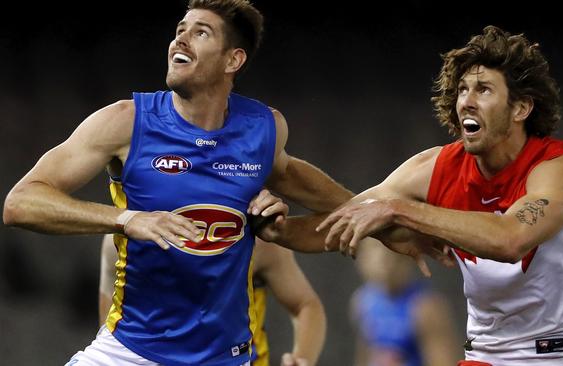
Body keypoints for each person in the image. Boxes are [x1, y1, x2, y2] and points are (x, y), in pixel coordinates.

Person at [3, 0, 352, 365]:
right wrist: (127, 219)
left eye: (200, 32)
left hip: (224, 358)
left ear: (233, 60)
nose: (180, 40)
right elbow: (20, 203)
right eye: (180, 30)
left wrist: (371, 214)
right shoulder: (125, 122)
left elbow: (338, 205)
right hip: (129, 354)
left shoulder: (264, 131)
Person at [314, 26, 563, 366]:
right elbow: (339, 219)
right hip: (486, 356)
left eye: (483, 90)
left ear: (521, 108)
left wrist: (398, 210)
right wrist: (261, 218)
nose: (466, 100)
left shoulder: (562, 169)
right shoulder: (438, 167)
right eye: (463, 90)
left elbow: (510, 240)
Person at [99, 234, 325, 366]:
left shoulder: (255, 241)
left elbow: (305, 305)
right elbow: (109, 322)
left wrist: (301, 358)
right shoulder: (122, 239)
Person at [351, 239, 460, 366]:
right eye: (373, 249)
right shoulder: (363, 302)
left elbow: (443, 360)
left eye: (393, 253)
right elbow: (365, 354)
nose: (384, 259)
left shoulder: (425, 307)